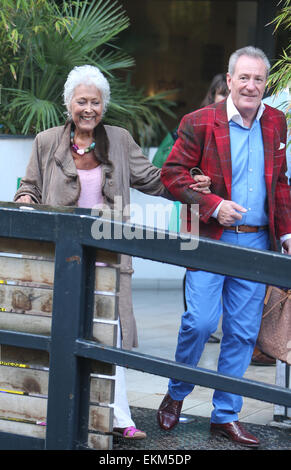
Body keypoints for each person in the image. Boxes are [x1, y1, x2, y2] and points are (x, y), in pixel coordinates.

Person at [13, 64, 206, 440]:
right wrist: (24, 201)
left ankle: (119, 418)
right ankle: (53, 411)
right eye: (82, 101)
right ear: (68, 103)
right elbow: (29, 187)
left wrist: (189, 184)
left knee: (112, 338)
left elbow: (153, 178)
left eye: (96, 102)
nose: (89, 108)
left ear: (105, 105)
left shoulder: (118, 139)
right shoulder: (47, 141)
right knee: (61, 334)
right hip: (63, 258)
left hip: (109, 258)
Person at [157, 46, 291, 448]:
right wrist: (213, 206)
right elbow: (171, 176)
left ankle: (225, 416)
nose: (251, 86)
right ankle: (177, 393)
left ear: (266, 84)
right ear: (229, 80)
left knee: (242, 332)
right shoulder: (199, 122)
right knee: (198, 322)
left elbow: (281, 183)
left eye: (259, 79)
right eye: (244, 78)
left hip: (256, 242)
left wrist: (286, 233)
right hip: (210, 240)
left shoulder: (276, 122)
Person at [153, 73, 229, 343]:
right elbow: (166, 162)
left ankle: (207, 321)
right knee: (194, 265)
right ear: (213, 95)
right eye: (222, 93)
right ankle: (196, 320)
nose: (227, 97)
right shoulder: (197, 122)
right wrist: (196, 174)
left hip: (224, 216)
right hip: (194, 208)